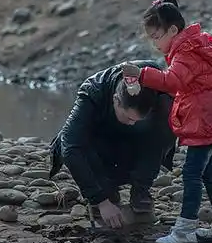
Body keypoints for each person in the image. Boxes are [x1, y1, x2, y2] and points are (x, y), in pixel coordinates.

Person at [121, 0, 212, 243]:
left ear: (173, 30)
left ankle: (185, 229)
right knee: (211, 174)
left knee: (192, 174)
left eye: (157, 37)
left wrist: (142, 75)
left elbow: (173, 81)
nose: (155, 44)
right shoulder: (193, 46)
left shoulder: (186, 52)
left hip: (204, 117)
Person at [49, 61, 176, 228]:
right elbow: (71, 146)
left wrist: (142, 184)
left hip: (132, 142)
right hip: (100, 142)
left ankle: (140, 193)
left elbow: (160, 142)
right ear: (116, 100)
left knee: (165, 124)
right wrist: (100, 200)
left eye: (137, 119)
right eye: (129, 117)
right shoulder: (93, 91)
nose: (132, 123)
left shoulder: (161, 86)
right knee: (75, 143)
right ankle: (106, 189)